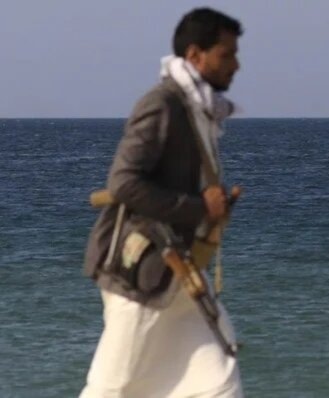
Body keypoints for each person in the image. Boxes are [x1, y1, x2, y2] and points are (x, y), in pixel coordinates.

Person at [80, 8, 243, 397]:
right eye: (226, 54)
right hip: (142, 272)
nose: (236, 65)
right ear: (194, 56)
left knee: (218, 384)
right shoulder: (163, 105)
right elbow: (123, 183)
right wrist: (200, 207)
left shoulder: (198, 110)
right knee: (111, 388)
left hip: (181, 274)